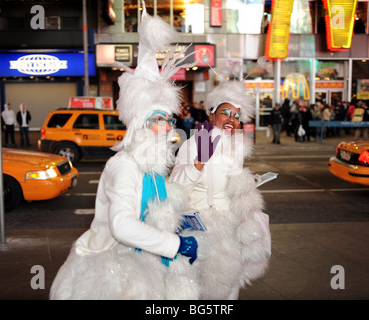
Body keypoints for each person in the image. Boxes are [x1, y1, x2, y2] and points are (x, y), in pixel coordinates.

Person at [50, 6, 199, 300]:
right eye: (159, 121)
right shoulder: (125, 165)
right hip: (114, 267)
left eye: (169, 121)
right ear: (140, 126)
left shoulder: (150, 166)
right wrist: (174, 244)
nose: (168, 129)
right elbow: (121, 226)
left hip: (146, 260)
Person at [169, 81, 271, 300]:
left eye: (236, 116)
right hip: (202, 232)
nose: (231, 120)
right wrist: (199, 162)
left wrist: (248, 183)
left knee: (230, 289)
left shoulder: (236, 150)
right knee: (201, 292)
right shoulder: (195, 144)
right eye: (226, 113)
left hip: (232, 232)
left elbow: (228, 187)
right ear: (212, 115)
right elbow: (176, 186)